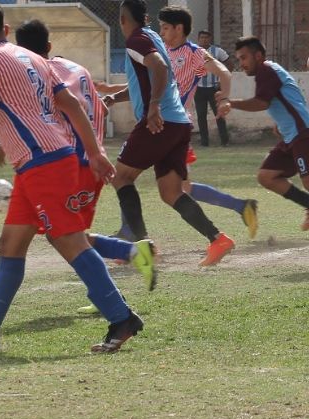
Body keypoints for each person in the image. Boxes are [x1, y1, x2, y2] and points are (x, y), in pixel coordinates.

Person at [0, 1, 144, 354]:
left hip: (44, 163)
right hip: (45, 160)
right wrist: (96, 152)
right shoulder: (35, 59)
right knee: (11, 244)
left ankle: (121, 318)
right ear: (6, 30)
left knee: (68, 240)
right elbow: (71, 103)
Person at [104, 6, 258, 245]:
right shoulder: (158, 46)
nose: (162, 31)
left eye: (166, 27)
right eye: (161, 27)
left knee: (127, 176)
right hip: (175, 124)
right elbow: (142, 83)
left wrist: (225, 97)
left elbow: (223, 72)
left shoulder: (194, 53)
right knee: (173, 190)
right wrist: (113, 94)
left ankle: (133, 234)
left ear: (179, 28)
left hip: (165, 121)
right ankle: (222, 230)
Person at [228, 36, 309, 231]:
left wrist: (230, 103)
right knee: (267, 176)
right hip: (291, 135)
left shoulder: (265, 69)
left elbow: (261, 102)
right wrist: (280, 123)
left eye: (244, 58)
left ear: (258, 56)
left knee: (308, 180)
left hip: (301, 133)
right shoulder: (270, 70)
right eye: (239, 59)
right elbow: (287, 98)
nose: (242, 63)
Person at [195, 30, 231, 147]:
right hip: (199, 88)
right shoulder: (193, 51)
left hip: (214, 88)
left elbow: (229, 64)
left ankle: (225, 141)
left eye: (206, 37)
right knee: (201, 115)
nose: (204, 40)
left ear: (210, 39)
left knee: (219, 114)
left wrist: (221, 80)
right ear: (198, 39)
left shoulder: (217, 51)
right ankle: (204, 142)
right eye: (202, 37)